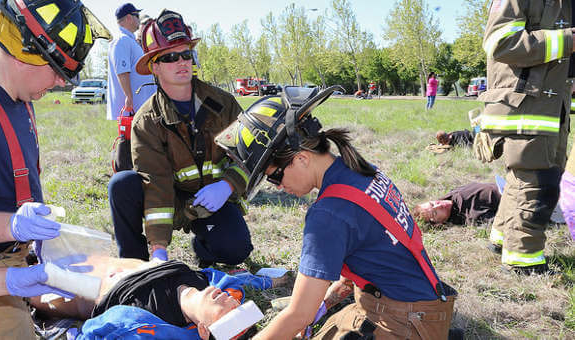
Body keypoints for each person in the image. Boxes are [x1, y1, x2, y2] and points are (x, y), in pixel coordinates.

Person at [216, 86, 457, 339]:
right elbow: (370, 253)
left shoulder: (328, 214)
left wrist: (303, 315)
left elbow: (299, 314)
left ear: (301, 158)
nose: (279, 187)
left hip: (404, 321)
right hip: (419, 306)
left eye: (275, 177)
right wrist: (322, 305)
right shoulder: (358, 171)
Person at [0, 0, 111, 338]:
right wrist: (12, 225)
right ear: (24, 53)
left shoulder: (19, 97)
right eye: (56, 68)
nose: (60, 82)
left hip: (15, 261)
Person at [108, 10, 252, 268]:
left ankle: (204, 245)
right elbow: (156, 183)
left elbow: (249, 155)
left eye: (186, 54)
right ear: (154, 66)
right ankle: (135, 264)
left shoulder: (224, 104)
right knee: (123, 185)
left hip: (212, 197)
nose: (182, 62)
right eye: (171, 57)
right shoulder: (147, 121)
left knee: (235, 249)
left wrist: (227, 186)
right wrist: (159, 250)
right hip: (170, 200)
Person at [476, 0, 573, 274]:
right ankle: (523, 259)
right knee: (537, 182)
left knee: (526, 177)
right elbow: (501, 42)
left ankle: (500, 238)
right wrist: (568, 40)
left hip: (552, 108)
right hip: (526, 105)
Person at [29, 257, 281, 339]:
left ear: (204, 331)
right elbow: (235, 285)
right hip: (102, 256)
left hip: (81, 287)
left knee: (27, 285)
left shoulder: (152, 320)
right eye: (237, 304)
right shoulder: (207, 283)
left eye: (227, 313)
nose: (229, 301)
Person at [107, 3, 156, 121]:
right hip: (134, 108)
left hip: (140, 106)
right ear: (129, 17)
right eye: (137, 15)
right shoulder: (121, 40)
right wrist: (129, 97)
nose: (139, 19)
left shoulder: (128, 40)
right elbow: (122, 71)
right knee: (133, 139)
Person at [413, 183, 501, 225]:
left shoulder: (451, 194)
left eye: (432, 204)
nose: (439, 205)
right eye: (435, 213)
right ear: (438, 223)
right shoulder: (470, 214)